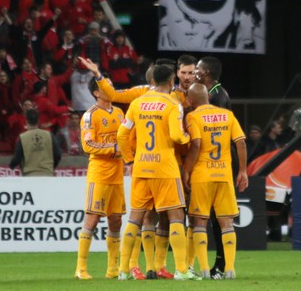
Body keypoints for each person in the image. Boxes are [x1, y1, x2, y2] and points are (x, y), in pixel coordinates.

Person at [115, 64, 199, 281]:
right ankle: (181, 270)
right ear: (171, 81)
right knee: (176, 216)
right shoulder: (173, 103)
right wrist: (188, 138)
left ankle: (124, 271)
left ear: (152, 80)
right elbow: (176, 135)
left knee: (135, 218)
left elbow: (122, 135)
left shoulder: (137, 103)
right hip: (165, 168)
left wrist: (129, 159)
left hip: (142, 167)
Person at [183, 83, 248, 279]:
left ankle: (203, 269)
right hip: (224, 175)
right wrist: (243, 171)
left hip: (202, 176)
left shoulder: (192, 117)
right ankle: (229, 269)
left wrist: (186, 171)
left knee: (199, 222)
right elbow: (241, 142)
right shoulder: (227, 115)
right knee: (226, 223)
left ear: (191, 101)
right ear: (208, 98)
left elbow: (196, 145)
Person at [74, 79, 125, 280]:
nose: (110, 89)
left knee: (116, 220)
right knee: (93, 218)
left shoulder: (120, 113)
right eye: (105, 88)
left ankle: (112, 269)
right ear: (96, 93)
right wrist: (113, 149)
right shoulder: (90, 116)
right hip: (100, 173)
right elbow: (88, 146)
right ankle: (81, 268)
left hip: (117, 174)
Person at [9, 109, 62, 176]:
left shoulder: (22, 137)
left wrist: (11, 166)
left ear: (26, 120)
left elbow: (16, 159)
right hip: (47, 174)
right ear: (38, 120)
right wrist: (51, 167)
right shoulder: (49, 135)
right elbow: (58, 154)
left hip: (30, 175)